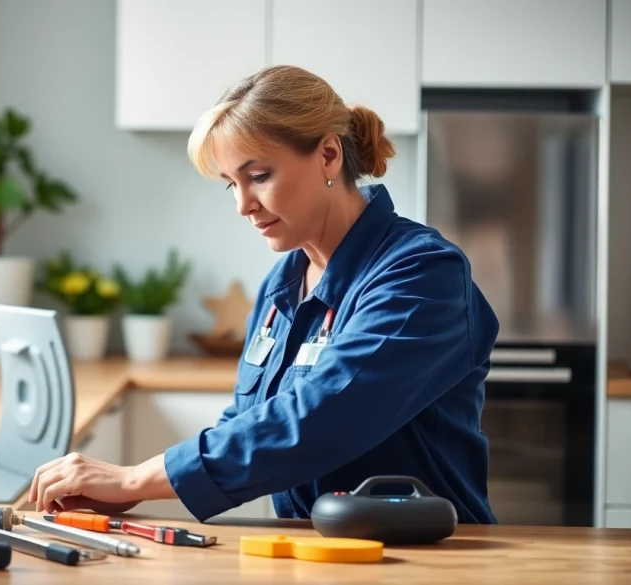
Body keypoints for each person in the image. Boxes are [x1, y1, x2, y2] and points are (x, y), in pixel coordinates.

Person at [29, 64, 500, 525]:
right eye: (231, 184)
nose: (242, 205)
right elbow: (248, 423)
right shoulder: (283, 287)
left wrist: (136, 479)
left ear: (328, 156)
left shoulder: (421, 273)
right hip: (315, 554)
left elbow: (324, 416)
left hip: (428, 557)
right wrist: (135, 492)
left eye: (258, 176)